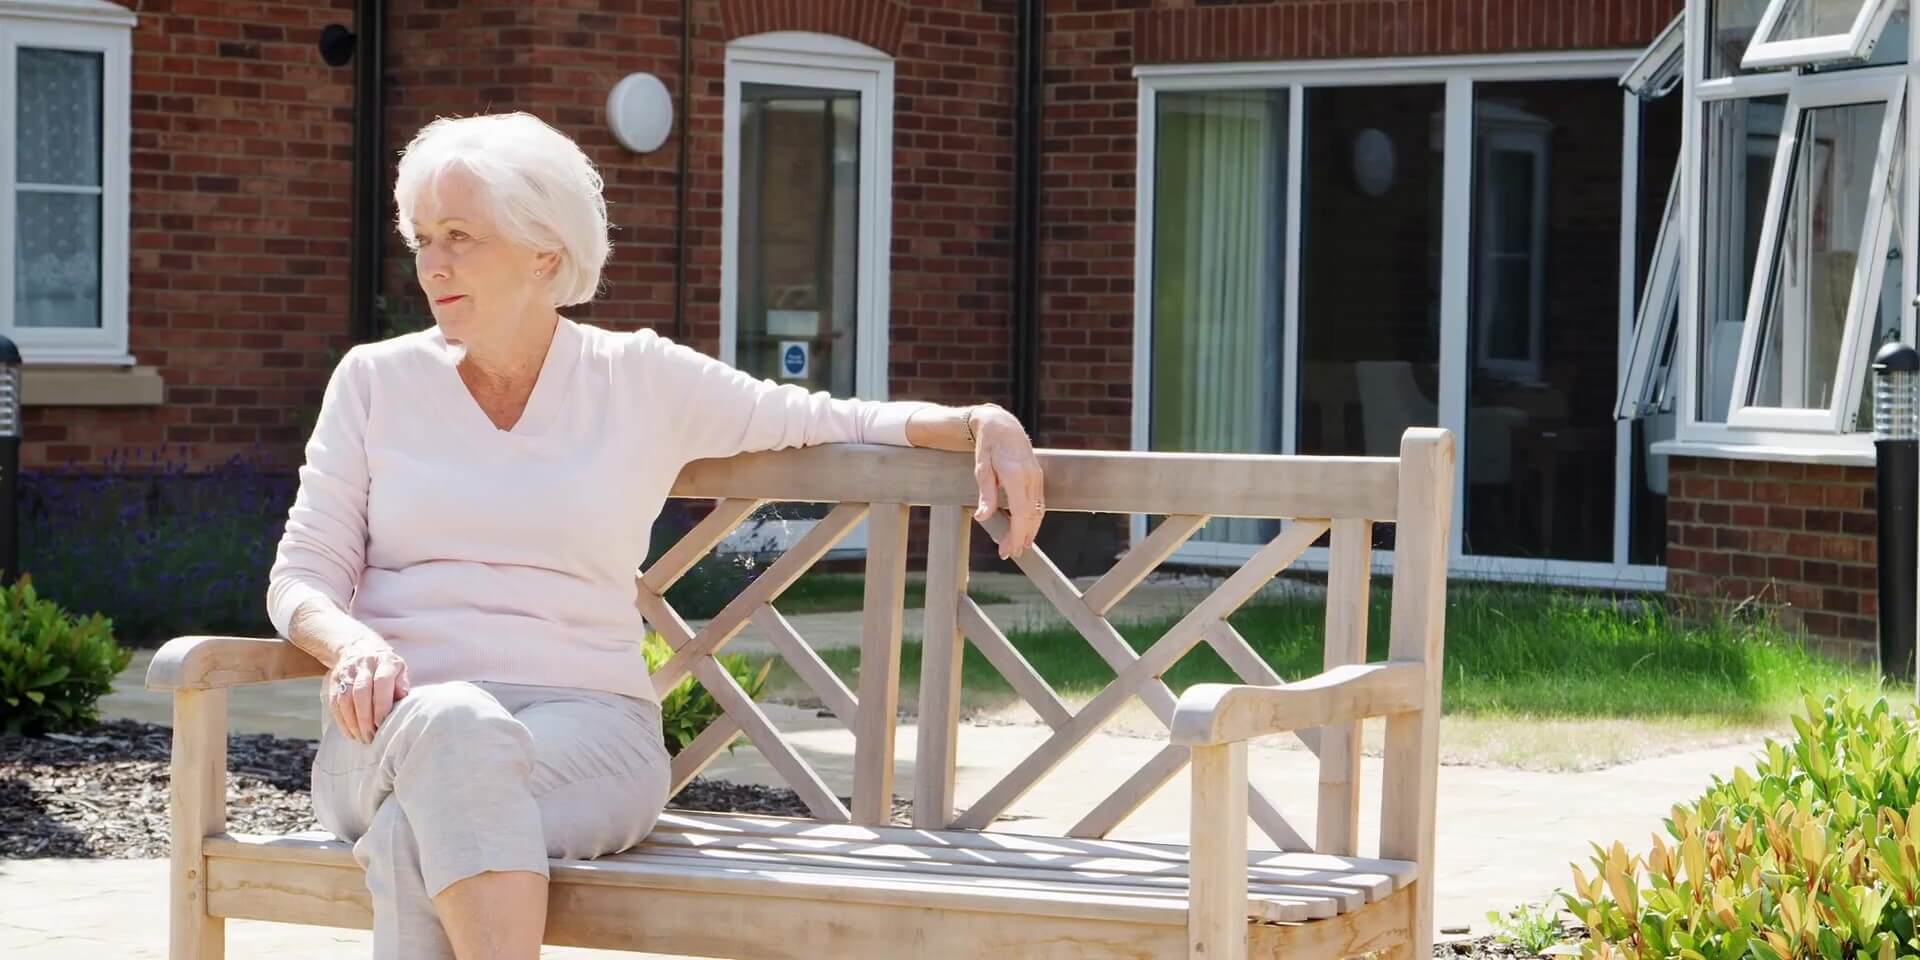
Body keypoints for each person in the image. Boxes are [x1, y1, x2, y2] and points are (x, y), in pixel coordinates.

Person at [267, 111, 1047, 960]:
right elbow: (302, 573)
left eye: (461, 236)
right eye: (423, 238)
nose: (433, 264)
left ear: (546, 252)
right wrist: (349, 647)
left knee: (417, 830)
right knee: (452, 734)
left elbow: (828, 417)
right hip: (390, 725)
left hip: (589, 738)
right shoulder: (375, 381)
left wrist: (980, 420)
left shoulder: (636, 378)